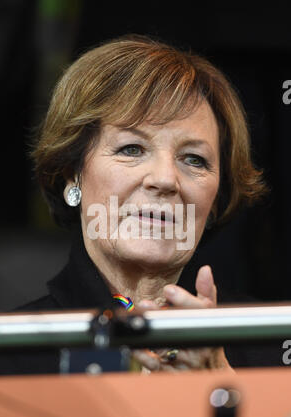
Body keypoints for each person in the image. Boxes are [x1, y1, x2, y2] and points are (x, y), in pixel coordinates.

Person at [14, 34, 269, 372]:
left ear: (217, 202)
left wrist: (225, 386)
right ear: (71, 175)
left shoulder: (270, 342)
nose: (165, 179)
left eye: (193, 159)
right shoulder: (10, 351)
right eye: (131, 149)